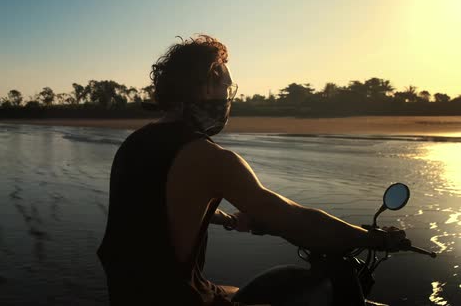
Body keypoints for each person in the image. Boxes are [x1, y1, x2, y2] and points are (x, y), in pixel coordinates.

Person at [97, 34, 407, 306]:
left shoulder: (135, 144)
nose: (228, 99)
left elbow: (154, 208)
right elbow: (298, 220)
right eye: (225, 87)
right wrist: (374, 239)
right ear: (207, 84)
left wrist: (225, 218)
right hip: (180, 298)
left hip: (128, 295)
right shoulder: (212, 159)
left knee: (242, 289)